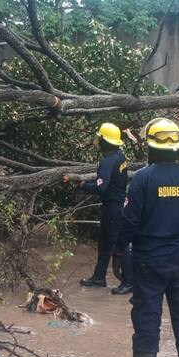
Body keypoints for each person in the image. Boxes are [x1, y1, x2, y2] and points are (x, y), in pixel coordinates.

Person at [112, 118, 179, 357]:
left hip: (148, 263)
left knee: (146, 320)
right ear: (177, 148)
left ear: (151, 148)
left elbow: (129, 221)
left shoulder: (143, 179)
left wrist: (119, 251)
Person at [77, 122, 134, 295]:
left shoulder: (107, 161)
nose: (98, 141)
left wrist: (82, 186)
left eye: (100, 138)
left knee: (119, 244)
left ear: (105, 141)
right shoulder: (120, 155)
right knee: (104, 243)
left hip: (113, 208)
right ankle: (98, 277)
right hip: (117, 205)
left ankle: (130, 281)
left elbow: (101, 187)